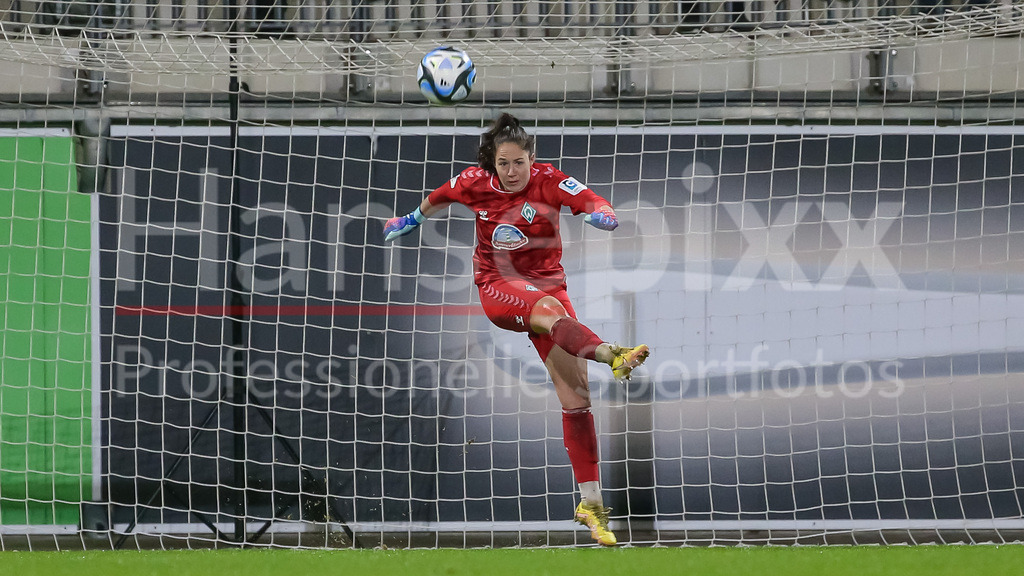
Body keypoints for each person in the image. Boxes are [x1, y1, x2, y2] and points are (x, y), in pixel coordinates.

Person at [383, 112, 649, 546]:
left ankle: (591, 504)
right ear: (493, 163)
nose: (511, 171)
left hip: (550, 289)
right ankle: (611, 354)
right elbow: (440, 196)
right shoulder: (475, 181)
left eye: (518, 163)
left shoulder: (550, 180)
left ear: (531, 159)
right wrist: (410, 220)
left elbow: (591, 201)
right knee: (549, 311)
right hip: (499, 286)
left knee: (577, 399)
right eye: (503, 163)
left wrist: (602, 214)